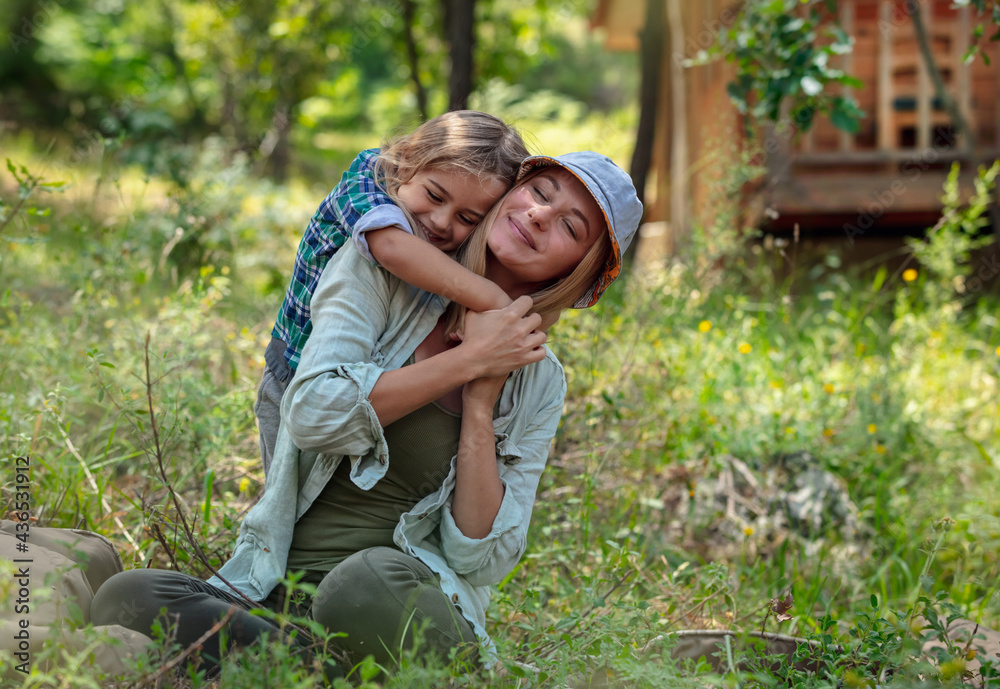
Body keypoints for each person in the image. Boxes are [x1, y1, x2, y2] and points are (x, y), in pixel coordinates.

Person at [90, 151, 643, 677]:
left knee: (362, 579)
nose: (541, 216)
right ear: (509, 193)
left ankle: (368, 670)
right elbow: (311, 414)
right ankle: (313, 669)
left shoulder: (540, 379)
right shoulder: (380, 272)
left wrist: (481, 399)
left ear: (581, 272)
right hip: (277, 600)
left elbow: (483, 558)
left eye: (571, 227)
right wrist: (467, 360)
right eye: (538, 192)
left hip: (390, 600)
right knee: (130, 595)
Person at [258, 110, 529, 473]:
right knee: (287, 487)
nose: (440, 221)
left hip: (368, 368)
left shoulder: (426, 203)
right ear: (404, 165)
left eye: (468, 219)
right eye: (434, 196)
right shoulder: (367, 179)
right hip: (292, 367)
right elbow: (391, 248)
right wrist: (496, 302)